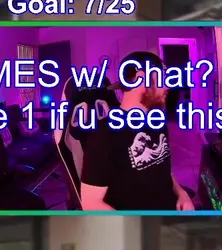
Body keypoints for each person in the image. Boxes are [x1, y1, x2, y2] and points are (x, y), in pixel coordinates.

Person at [78, 50, 195, 212]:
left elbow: (165, 172)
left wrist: (182, 194)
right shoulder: (104, 135)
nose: (167, 86)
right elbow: (91, 205)